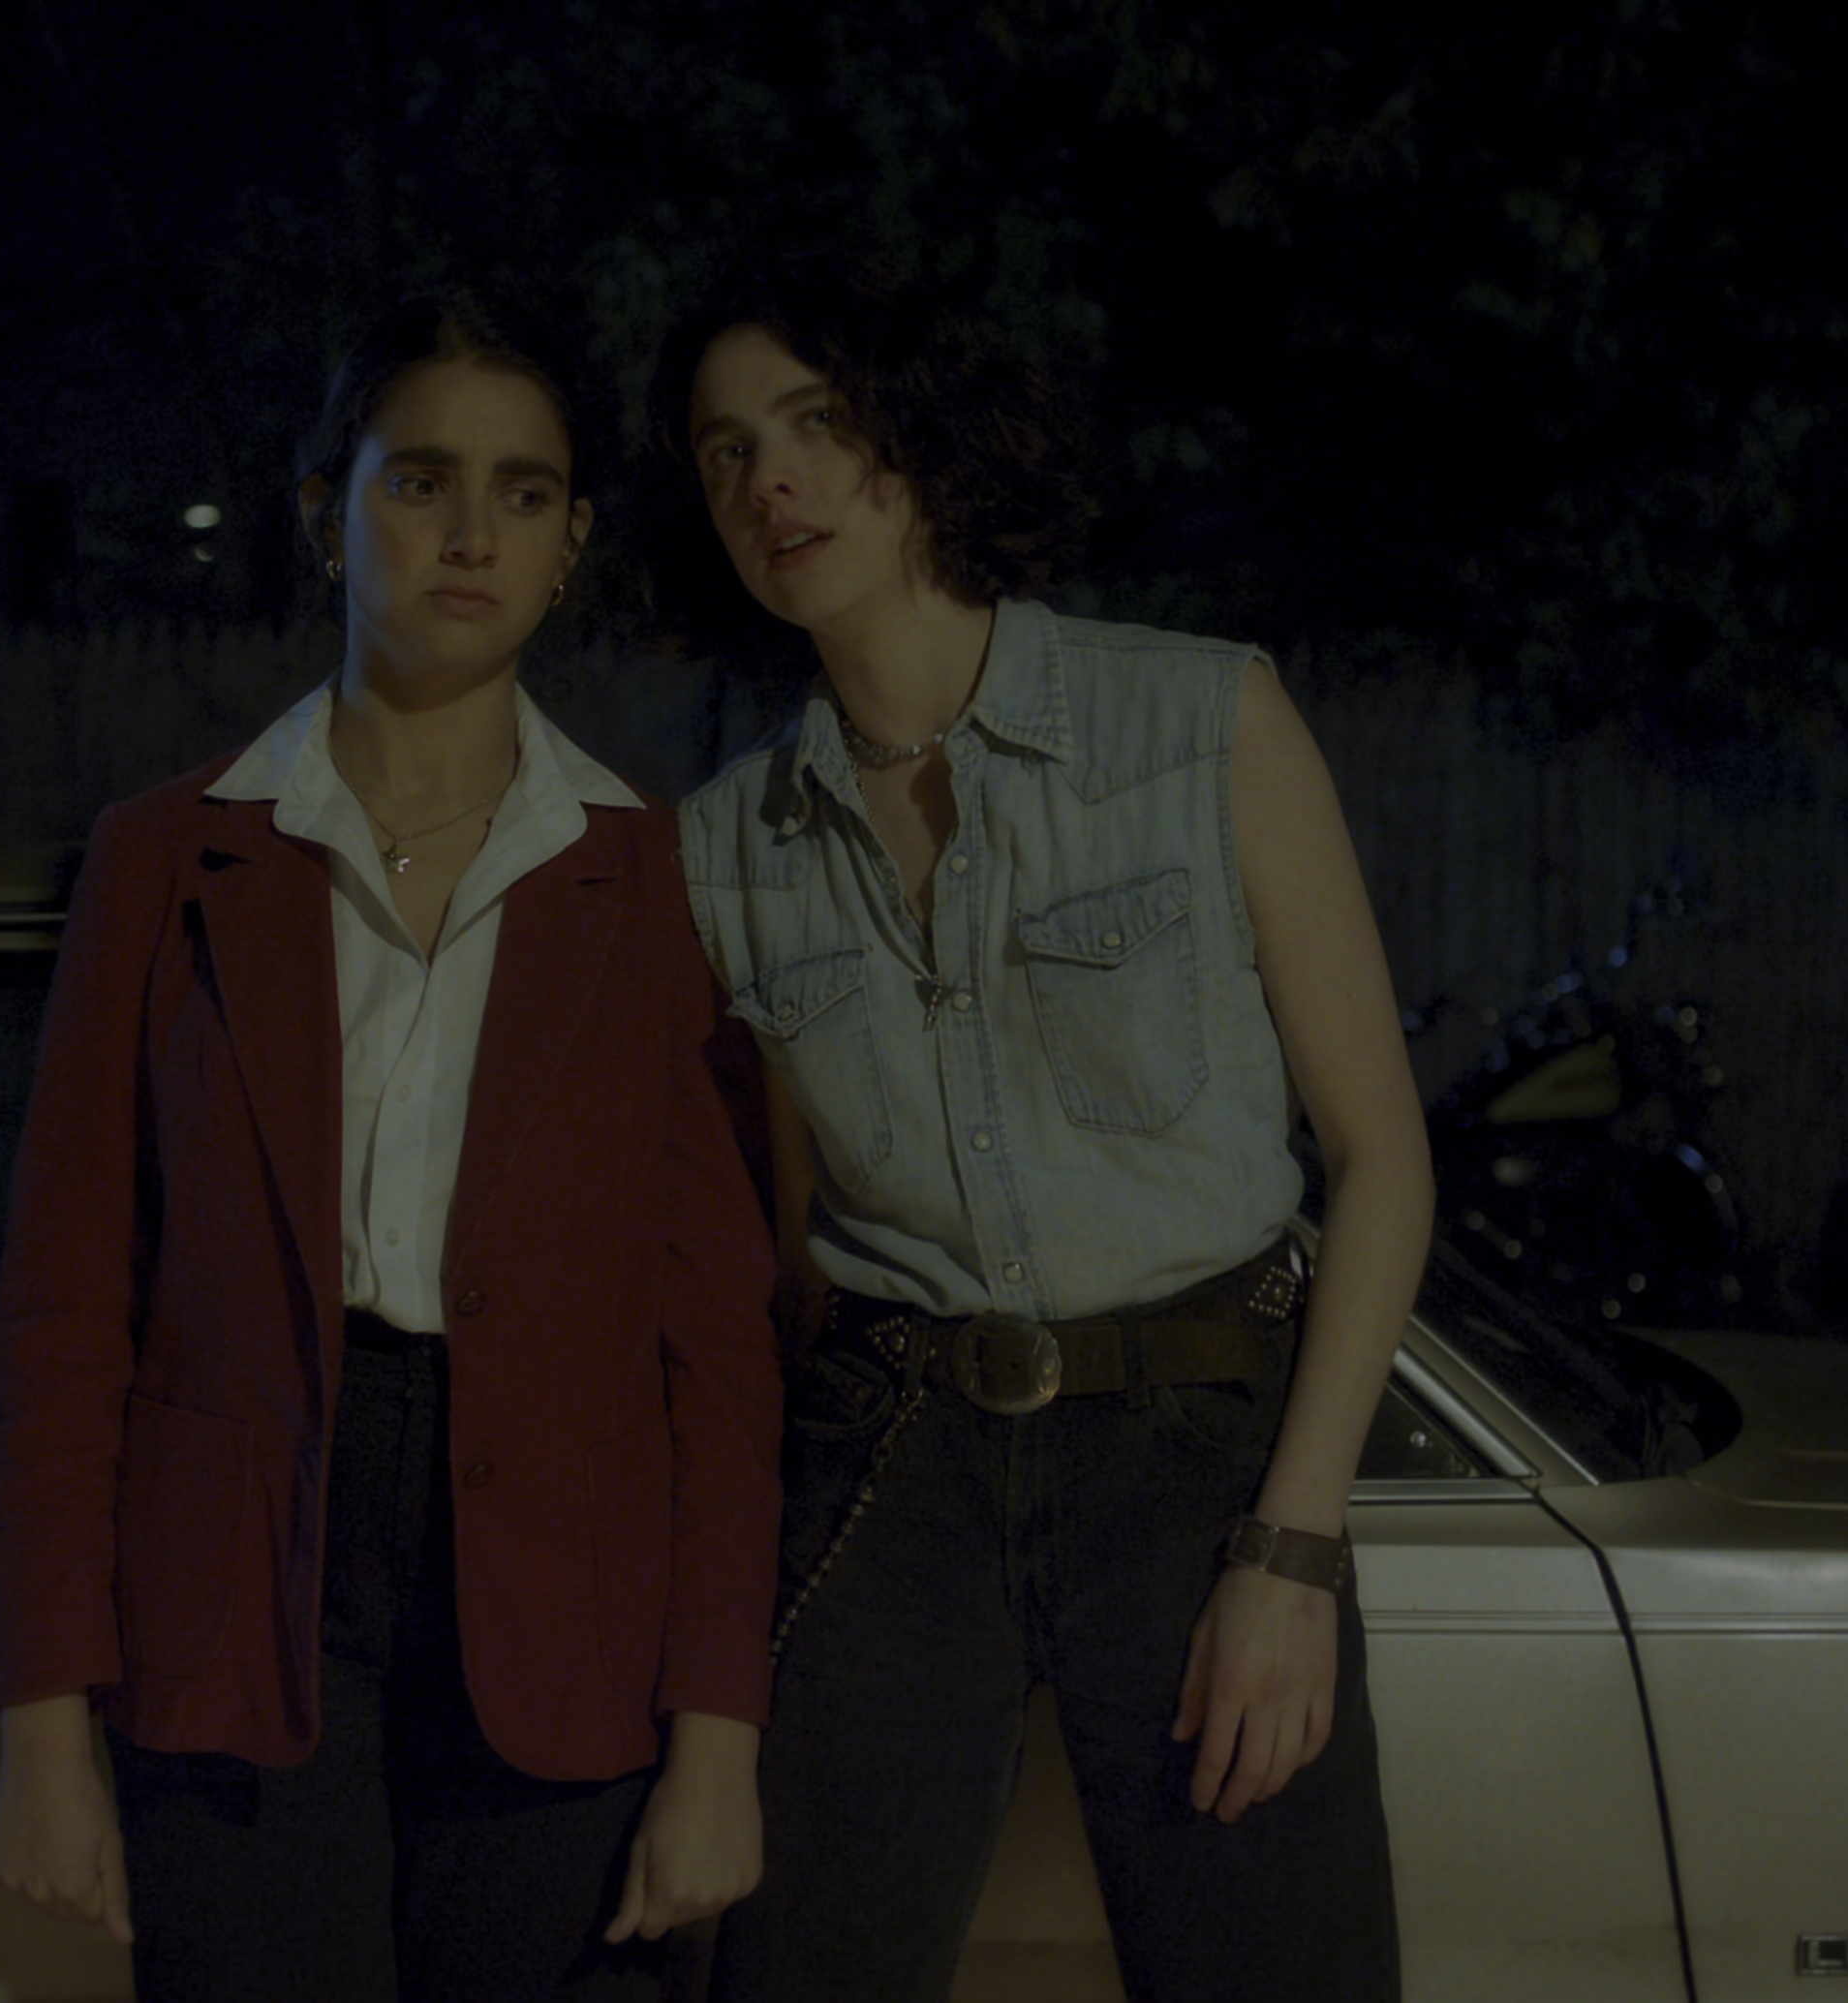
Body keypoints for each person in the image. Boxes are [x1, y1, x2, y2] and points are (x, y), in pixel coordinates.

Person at [0, 292, 784, 2001]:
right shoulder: (165, 859)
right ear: (323, 512)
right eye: (420, 481)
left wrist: (719, 1739)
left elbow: (718, 1351)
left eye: (522, 492)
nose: (471, 533)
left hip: (563, 1613)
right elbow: (63, 1315)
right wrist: (44, 1726)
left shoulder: (649, 880)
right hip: (237, 1595)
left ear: (570, 546)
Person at [658, 262, 1432, 2002]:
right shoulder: (723, 850)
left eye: (816, 422)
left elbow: (1381, 1159)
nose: (771, 481)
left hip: (1196, 1450)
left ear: (922, 433)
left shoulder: (1200, 720)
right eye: (723, 453)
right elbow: (770, 1249)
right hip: (892, 1458)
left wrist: (1292, 1550)